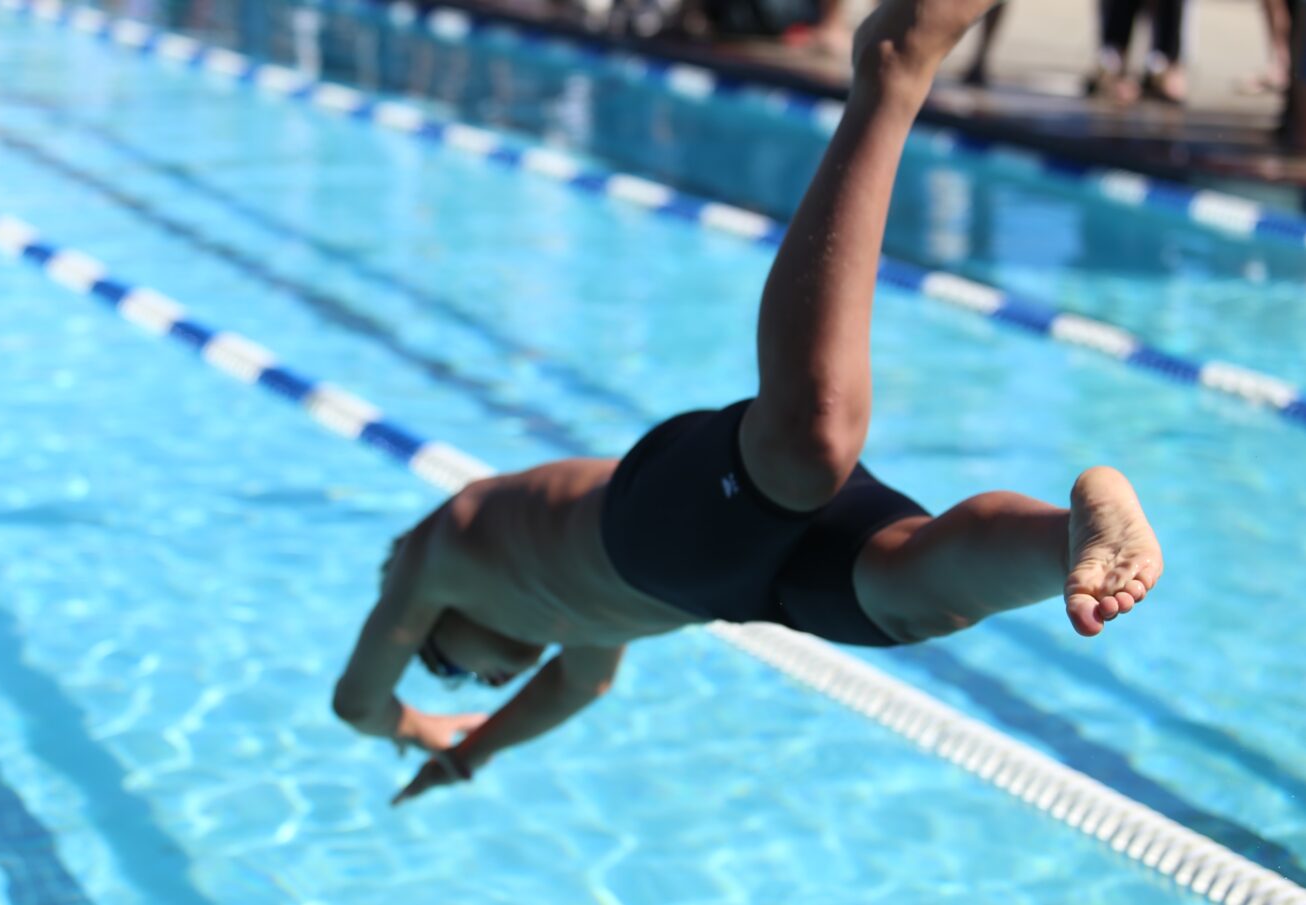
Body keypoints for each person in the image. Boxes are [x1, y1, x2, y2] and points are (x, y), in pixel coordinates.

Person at [333, 0, 1164, 805]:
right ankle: (1068, 537)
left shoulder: (437, 552)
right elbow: (574, 689)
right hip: (729, 583)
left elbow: (356, 703)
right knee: (915, 592)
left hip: (656, 523)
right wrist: (471, 755)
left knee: (814, 439)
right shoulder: (579, 624)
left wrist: (415, 725)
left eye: (446, 664)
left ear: (432, 617)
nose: (475, 677)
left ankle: (890, 68)